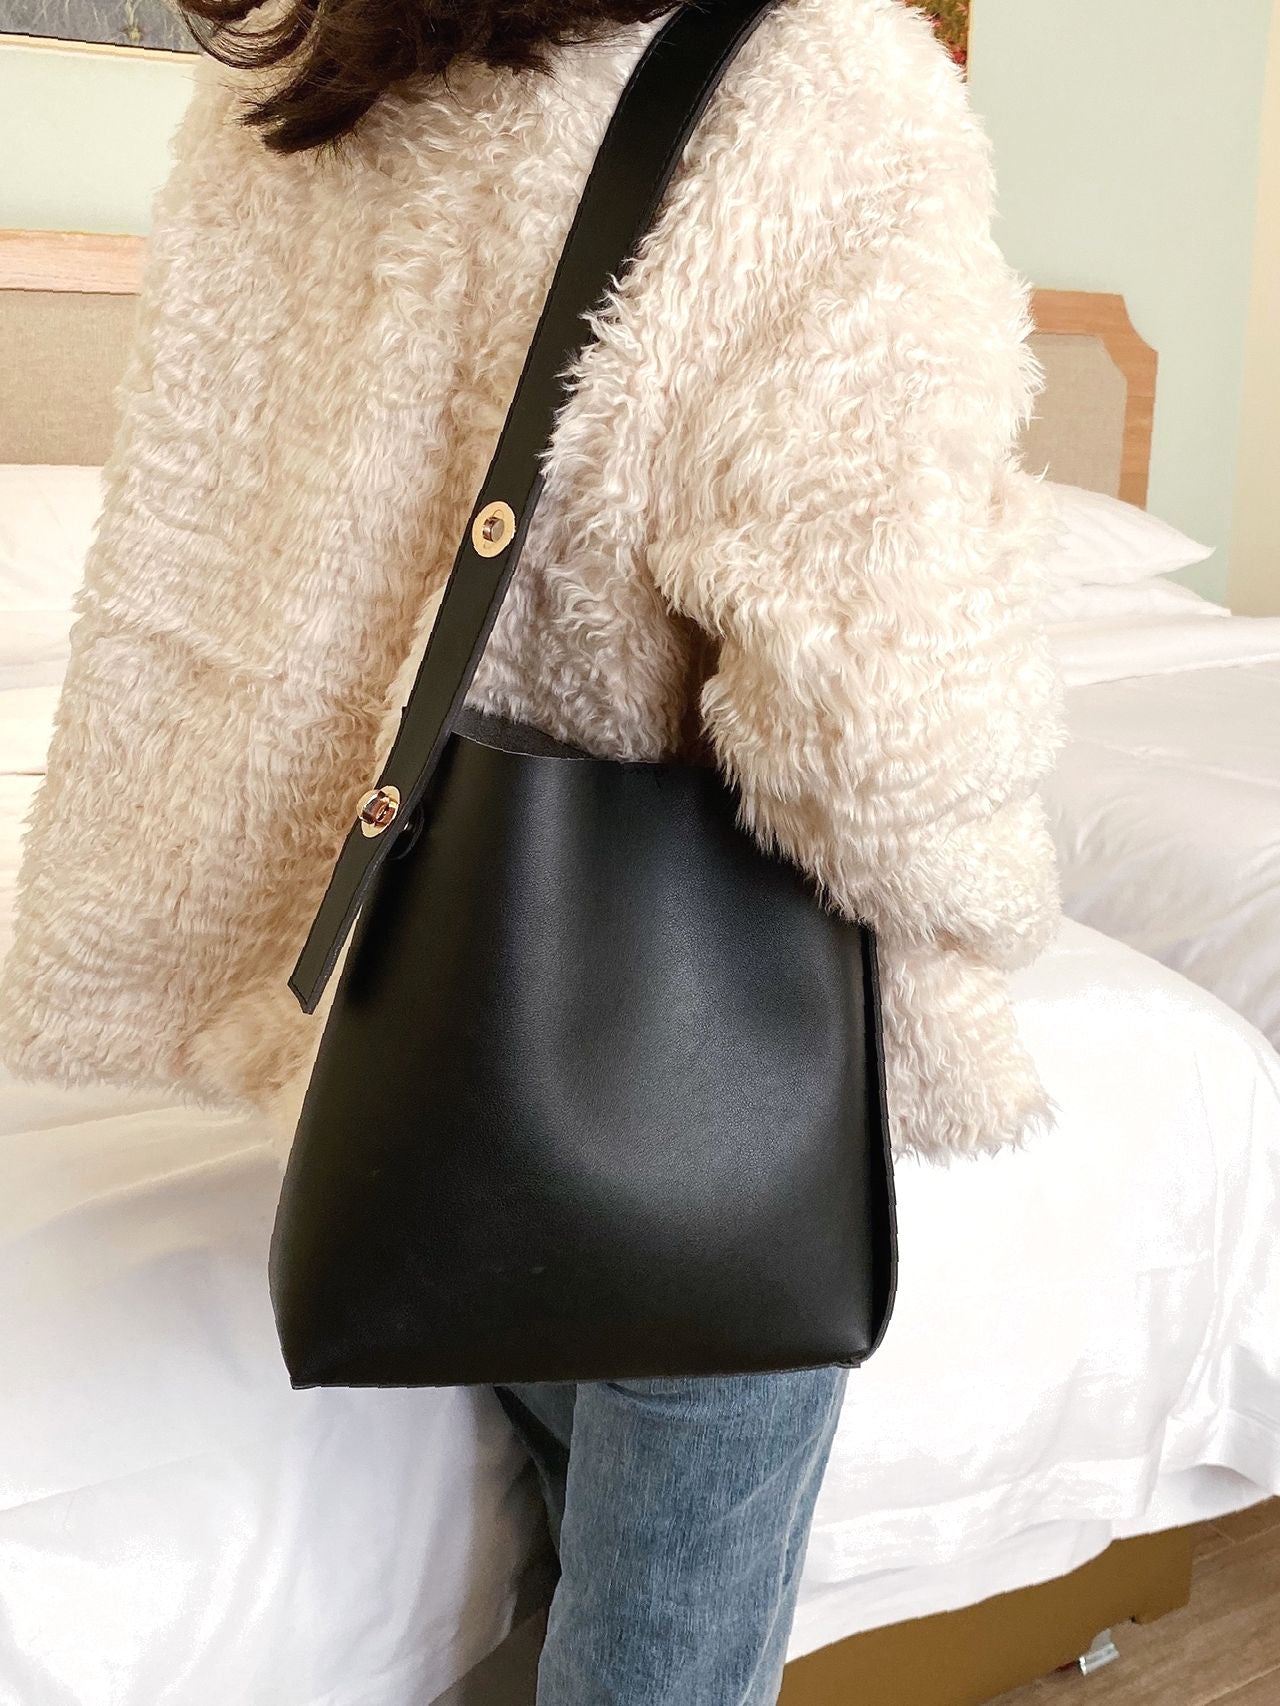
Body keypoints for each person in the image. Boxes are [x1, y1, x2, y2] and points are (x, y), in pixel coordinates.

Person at [0, 0, 1066, 1700]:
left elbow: (208, 528)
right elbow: (879, 704)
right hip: (682, 1054)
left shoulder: (302, 79)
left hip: (399, 991)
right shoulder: (821, 88)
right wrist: (991, 919)